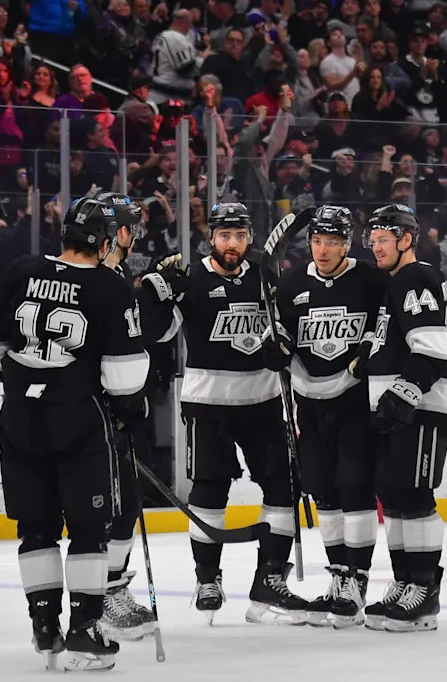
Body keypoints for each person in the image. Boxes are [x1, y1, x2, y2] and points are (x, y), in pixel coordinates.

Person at [0, 197, 150, 672]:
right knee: (88, 530)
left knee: (35, 528)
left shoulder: (21, 270)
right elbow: (124, 380)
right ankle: (85, 631)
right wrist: (128, 411)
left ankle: (44, 627)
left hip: (18, 420)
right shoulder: (110, 287)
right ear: (103, 241)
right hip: (78, 422)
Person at [138, 202, 308, 625]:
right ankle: (207, 579)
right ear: (211, 238)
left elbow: (285, 329)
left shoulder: (266, 277)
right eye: (225, 235)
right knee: (210, 490)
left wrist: (282, 347)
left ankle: (270, 579)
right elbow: (156, 334)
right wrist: (155, 295)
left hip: (263, 402)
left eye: (240, 235)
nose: (232, 243)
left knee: (283, 488)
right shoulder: (191, 279)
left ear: (250, 238)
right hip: (207, 405)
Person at [268, 205, 388, 628]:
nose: (322, 250)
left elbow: (385, 325)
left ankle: (358, 579)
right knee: (323, 492)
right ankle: (339, 577)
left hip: (354, 403)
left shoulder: (371, 281)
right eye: (317, 241)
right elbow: (281, 332)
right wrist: (277, 348)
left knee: (354, 489)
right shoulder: (293, 284)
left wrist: (366, 355)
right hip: (310, 404)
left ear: (347, 244)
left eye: (332, 242)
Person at [357, 203, 447, 632]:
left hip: (425, 403)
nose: (376, 247)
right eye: (373, 240)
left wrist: (405, 392)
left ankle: (424, 590)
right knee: (395, 495)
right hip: (405, 402)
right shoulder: (396, 282)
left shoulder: (415, 276)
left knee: (415, 494)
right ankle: (405, 583)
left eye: (384, 239)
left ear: (406, 240)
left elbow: (434, 349)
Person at [89, 192, 157, 642]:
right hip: (96, 411)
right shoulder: (98, 278)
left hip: (115, 406)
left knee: (126, 500)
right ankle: (100, 597)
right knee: (107, 504)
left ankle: (109, 588)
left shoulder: (116, 275)